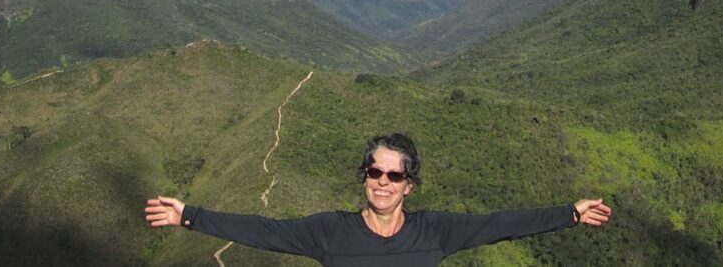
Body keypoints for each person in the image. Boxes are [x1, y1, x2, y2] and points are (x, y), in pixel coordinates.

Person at [145, 132, 611, 266]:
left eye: (394, 174)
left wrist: (569, 214)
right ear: (364, 177)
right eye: (374, 172)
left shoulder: (435, 232)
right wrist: (191, 216)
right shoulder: (329, 233)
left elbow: (498, 224)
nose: (382, 182)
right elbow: (264, 232)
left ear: (409, 184)